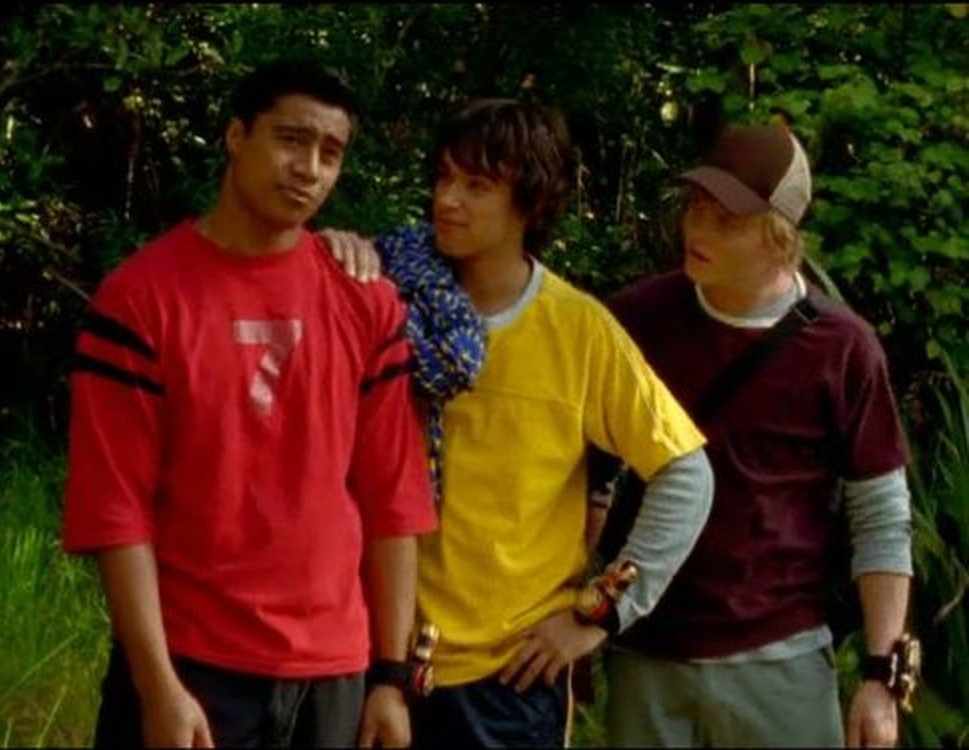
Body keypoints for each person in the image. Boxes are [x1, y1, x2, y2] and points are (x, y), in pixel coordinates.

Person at [61, 60, 437, 749]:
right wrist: (157, 686)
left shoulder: (367, 303)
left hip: (336, 671)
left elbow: (393, 497)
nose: (310, 169)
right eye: (291, 140)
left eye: (331, 153)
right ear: (237, 136)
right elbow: (116, 510)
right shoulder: (140, 299)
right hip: (194, 663)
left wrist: (391, 675)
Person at [323, 98, 714, 747]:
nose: (448, 199)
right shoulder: (387, 299)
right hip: (370, 652)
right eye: (444, 177)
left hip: (510, 677)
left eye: (477, 185)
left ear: (530, 203)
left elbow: (686, 473)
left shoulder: (577, 328)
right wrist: (337, 252)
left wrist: (599, 615)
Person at [593, 123, 914, 748]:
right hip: (645, 653)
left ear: (780, 238)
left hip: (781, 661)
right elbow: (588, 482)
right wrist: (581, 619)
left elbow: (880, 516)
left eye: (726, 220)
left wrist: (881, 676)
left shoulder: (842, 348)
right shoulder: (632, 321)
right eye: (695, 208)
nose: (697, 230)